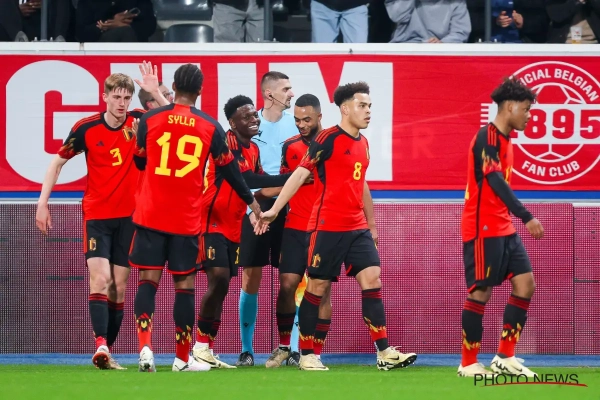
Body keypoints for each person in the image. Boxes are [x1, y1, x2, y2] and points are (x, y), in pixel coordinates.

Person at [256, 82, 417, 371]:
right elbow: (299, 175)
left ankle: (384, 352)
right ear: (345, 109)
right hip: (327, 226)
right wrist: (275, 209)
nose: (368, 111)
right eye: (362, 106)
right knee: (316, 287)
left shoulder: (363, 143)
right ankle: (307, 354)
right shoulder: (327, 138)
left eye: (369, 106)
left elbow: (360, 183)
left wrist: (371, 223)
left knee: (373, 280)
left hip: (357, 227)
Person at [129, 64, 262, 373]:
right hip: (186, 220)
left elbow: (139, 162)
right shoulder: (210, 126)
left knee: (148, 282)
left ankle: (145, 349)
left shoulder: (149, 119)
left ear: (174, 86)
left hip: (150, 214)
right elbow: (231, 171)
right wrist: (253, 204)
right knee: (184, 287)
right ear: (200, 91)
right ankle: (181, 358)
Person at [35, 65, 168, 370]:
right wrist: (42, 204)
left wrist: (155, 92)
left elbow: (175, 117)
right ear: (105, 96)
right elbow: (56, 163)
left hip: (130, 218)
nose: (121, 103)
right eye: (116, 97)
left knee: (118, 287)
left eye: (126, 97)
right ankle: (101, 345)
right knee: (101, 278)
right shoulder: (86, 128)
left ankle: (108, 353)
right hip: (97, 216)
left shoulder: (139, 120)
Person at [192, 95, 292, 369]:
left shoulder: (254, 149)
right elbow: (246, 178)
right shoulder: (227, 144)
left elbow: (258, 185)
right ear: (232, 122)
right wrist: (293, 176)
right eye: (246, 116)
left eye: (254, 115)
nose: (254, 119)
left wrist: (260, 211)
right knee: (219, 279)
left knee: (222, 286)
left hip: (233, 225)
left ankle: (206, 349)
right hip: (211, 220)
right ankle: (199, 347)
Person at [458, 77, 544, 378]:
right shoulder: (487, 137)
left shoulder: (506, 141)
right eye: (526, 109)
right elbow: (494, 180)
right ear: (509, 106)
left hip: (503, 226)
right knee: (481, 292)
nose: (529, 116)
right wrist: (526, 215)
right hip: (483, 226)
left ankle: (505, 356)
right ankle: (468, 363)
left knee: (526, 284)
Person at [265, 94, 335, 367]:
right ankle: (284, 346)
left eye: (307, 120)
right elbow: (286, 182)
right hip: (294, 226)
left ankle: (314, 353)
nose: (301, 125)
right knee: (287, 285)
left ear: (319, 116)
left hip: (325, 227)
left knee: (322, 291)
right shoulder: (290, 146)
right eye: (297, 120)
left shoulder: (334, 142)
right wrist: (261, 201)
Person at [236, 71, 297, 367]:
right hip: (255, 206)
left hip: (290, 206)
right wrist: (252, 210)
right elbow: (238, 174)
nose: (291, 94)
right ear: (269, 94)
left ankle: (292, 348)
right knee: (251, 277)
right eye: (286, 89)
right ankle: (247, 350)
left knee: (292, 278)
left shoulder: (296, 124)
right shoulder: (248, 125)